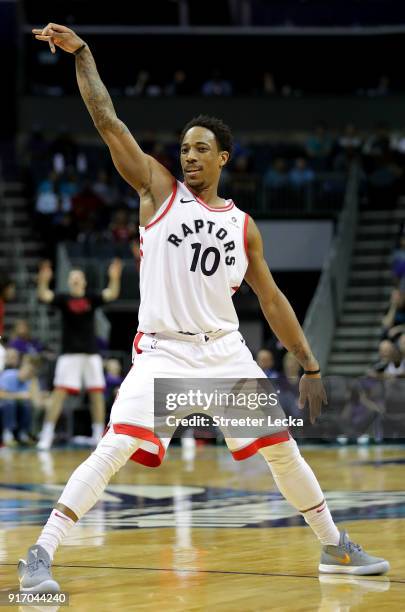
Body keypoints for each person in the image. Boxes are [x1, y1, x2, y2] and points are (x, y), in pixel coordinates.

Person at [20, 22, 389, 593]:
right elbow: (106, 120)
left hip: (224, 353)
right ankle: (39, 554)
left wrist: (310, 365)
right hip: (164, 352)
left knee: (282, 451)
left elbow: (271, 299)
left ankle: (335, 546)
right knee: (115, 445)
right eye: (183, 148)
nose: (188, 156)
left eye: (199, 149)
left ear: (223, 158)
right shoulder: (158, 191)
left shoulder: (244, 227)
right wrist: (84, 56)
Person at [35, 258, 122, 450]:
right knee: (59, 393)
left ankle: (98, 435)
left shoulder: (91, 298)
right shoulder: (63, 299)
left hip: (91, 354)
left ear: (83, 281)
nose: (75, 280)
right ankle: (47, 434)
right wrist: (43, 280)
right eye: (72, 277)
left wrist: (114, 277)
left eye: (78, 277)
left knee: (97, 393)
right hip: (69, 354)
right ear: (69, 282)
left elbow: (111, 293)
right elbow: (44, 294)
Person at [0, 354, 43, 446]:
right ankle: (8, 434)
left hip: (17, 405)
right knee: (9, 403)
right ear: (22, 368)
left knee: (27, 405)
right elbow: (1, 394)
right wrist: (18, 396)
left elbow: (35, 401)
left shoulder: (29, 382)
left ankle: (22, 434)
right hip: (4, 403)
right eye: (27, 371)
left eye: (31, 373)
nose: (28, 374)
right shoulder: (9, 375)